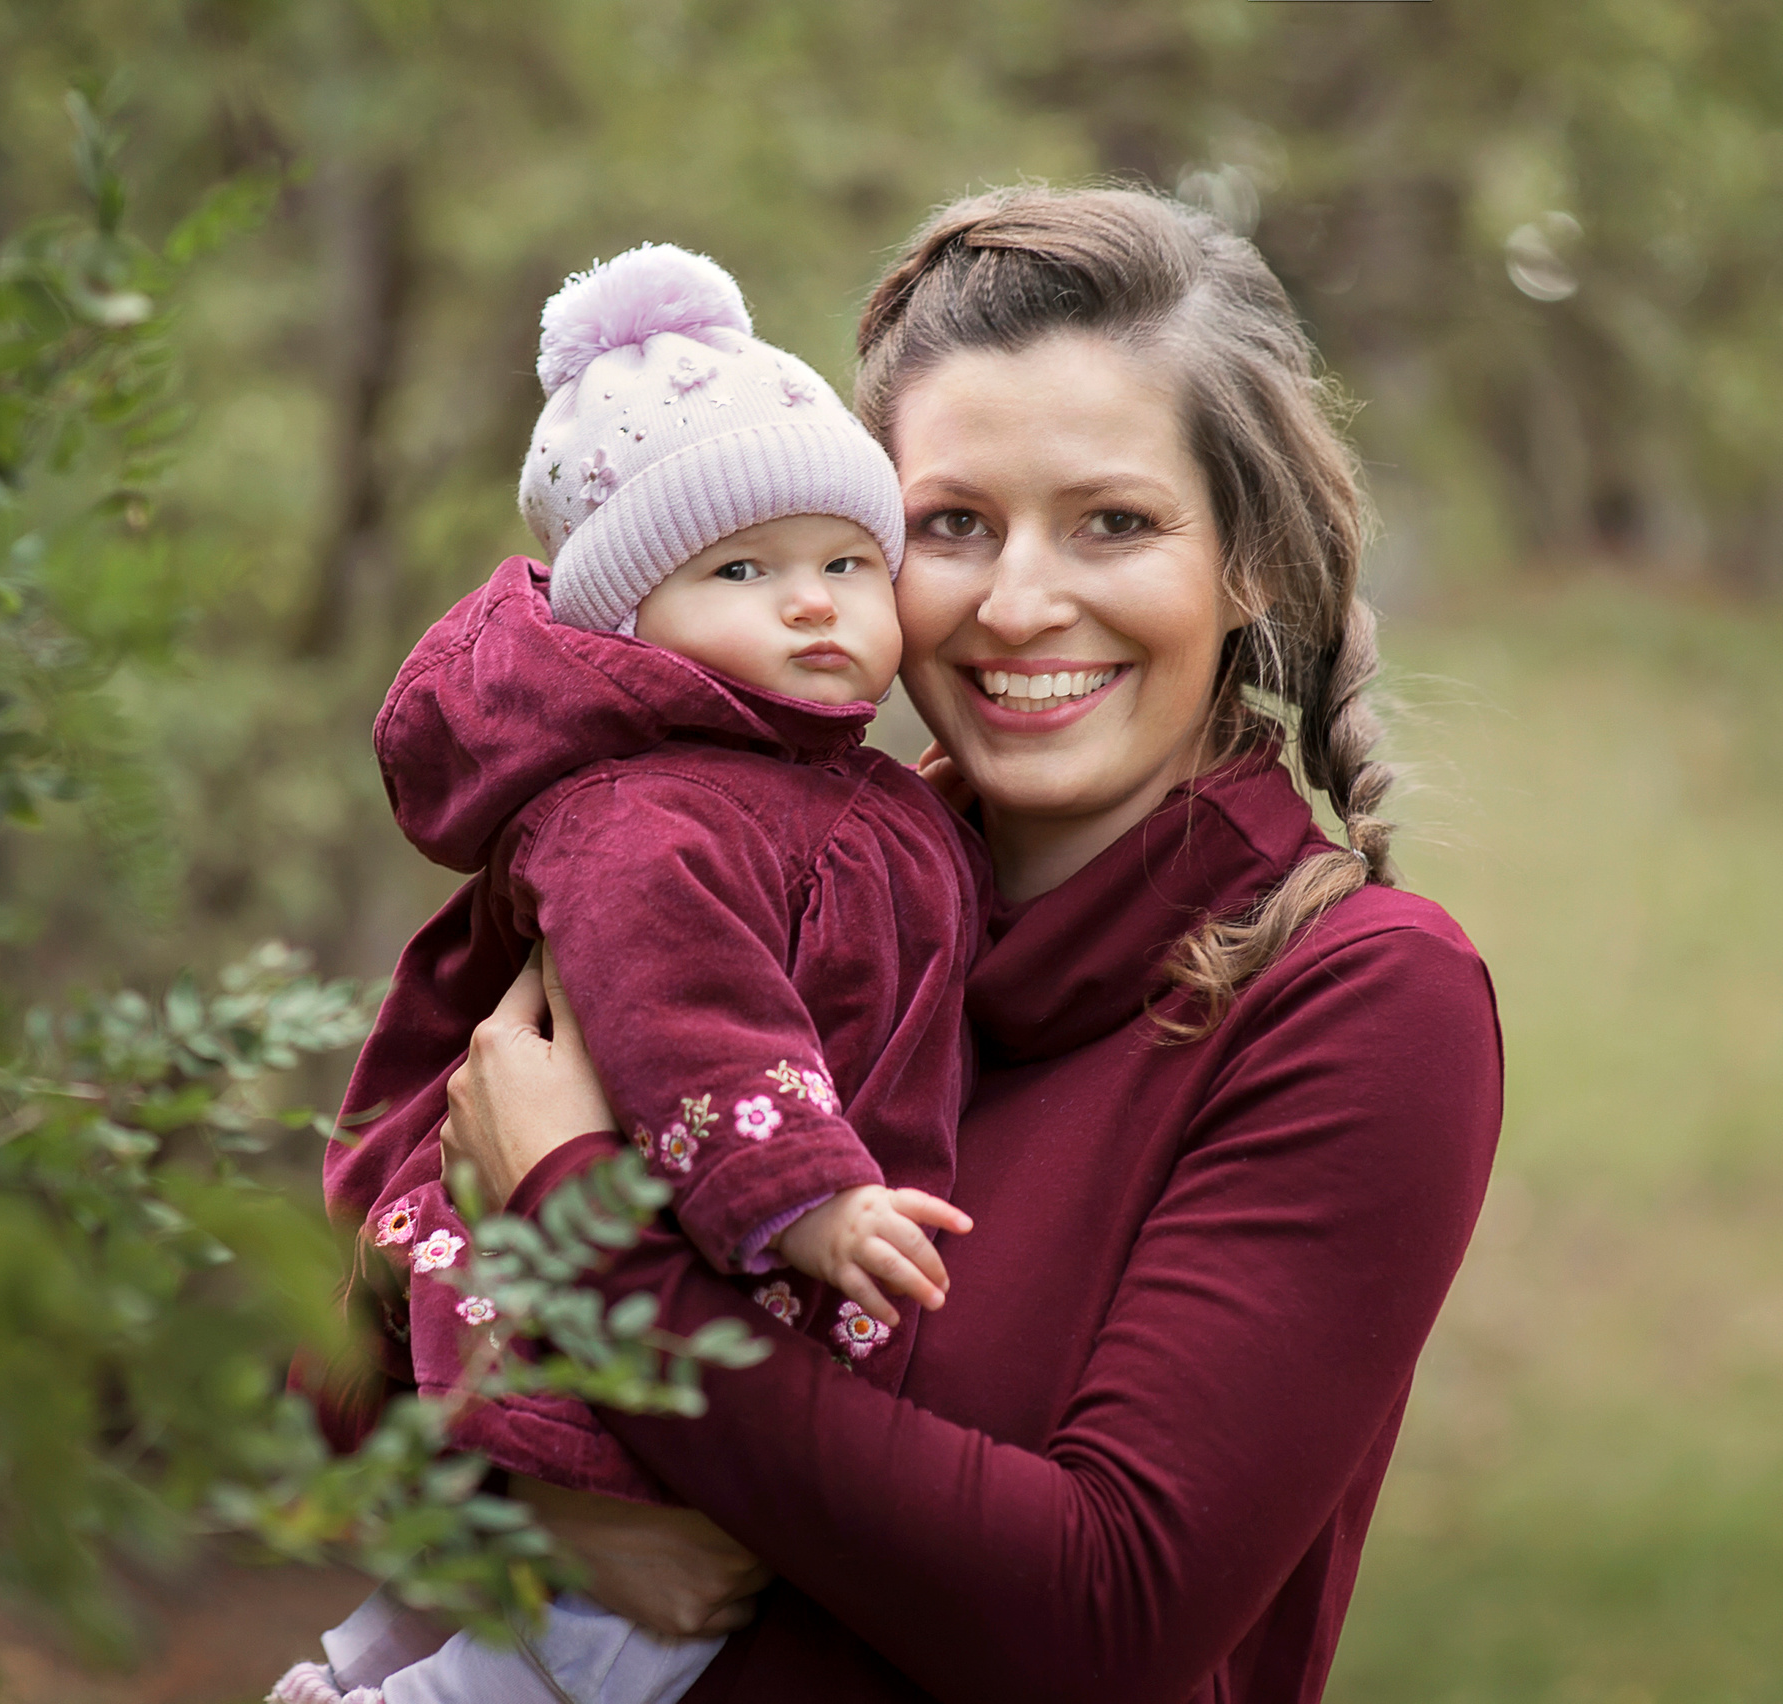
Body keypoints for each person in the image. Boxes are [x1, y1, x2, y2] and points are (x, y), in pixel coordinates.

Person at [434, 186, 1506, 1704]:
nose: (1017, 604)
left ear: (1248, 559)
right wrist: (532, 1511)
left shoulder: (1365, 1001)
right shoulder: (731, 897)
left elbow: (1105, 1618)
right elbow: (346, 1353)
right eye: (952, 526)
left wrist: (587, 1234)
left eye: (1114, 522)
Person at [273, 245, 986, 1704]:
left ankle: (358, 1673)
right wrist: (803, 1195)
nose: (812, 606)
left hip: (651, 1279)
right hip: (638, 1276)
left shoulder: (815, 789)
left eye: (847, 563)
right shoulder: (648, 816)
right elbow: (688, 1019)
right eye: (742, 571)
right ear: (629, 620)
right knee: (623, 1643)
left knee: (541, 1592)